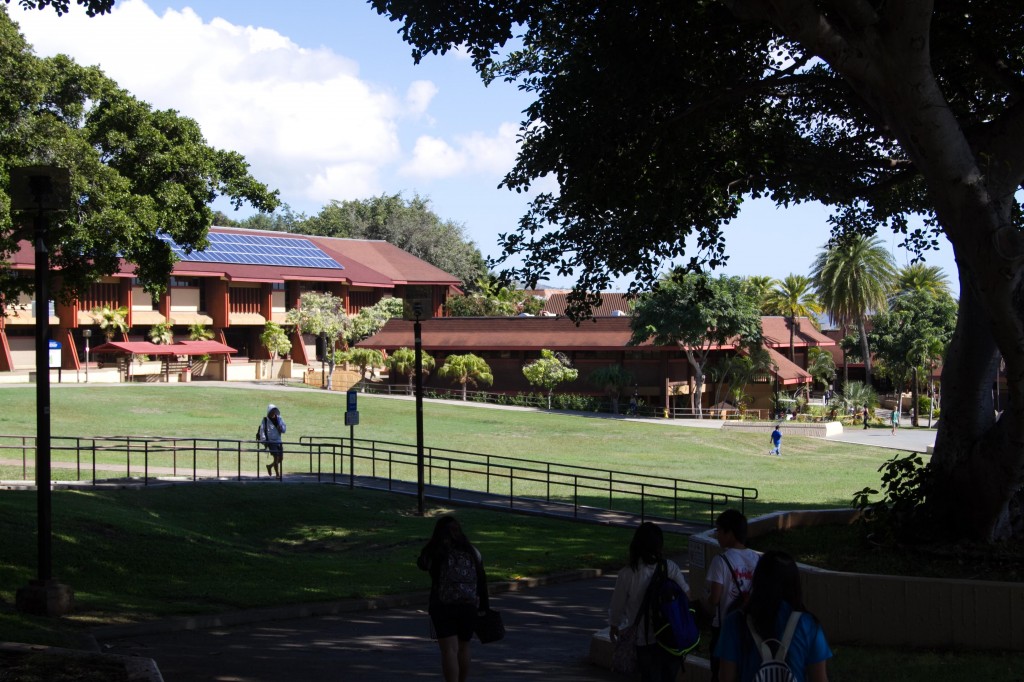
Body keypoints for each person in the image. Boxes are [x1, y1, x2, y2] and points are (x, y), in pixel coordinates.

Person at [715, 550, 832, 682]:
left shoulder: (735, 622)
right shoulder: (809, 625)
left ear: (758, 579)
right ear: (794, 583)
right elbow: (819, 679)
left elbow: (725, 677)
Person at [609, 522, 691, 682]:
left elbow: (617, 605)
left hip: (644, 640)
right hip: (671, 637)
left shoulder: (627, 574)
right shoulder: (670, 568)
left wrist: (614, 624)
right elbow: (687, 595)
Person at [418, 515, 489, 682]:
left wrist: (432, 544)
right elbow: (482, 580)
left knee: (449, 650)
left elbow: (422, 564)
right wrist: (483, 607)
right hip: (469, 605)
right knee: (464, 647)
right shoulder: (472, 551)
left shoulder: (437, 552)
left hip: (442, 605)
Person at [705, 510, 761, 682]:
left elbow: (714, 599)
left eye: (719, 531)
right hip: (751, 627)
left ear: (729, 533)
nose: (717, 535)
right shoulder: (757, 559)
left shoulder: (720, 561)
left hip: (724, 627)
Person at [257, 404, 286, 478]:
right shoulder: (265, 420)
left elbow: (284, 429)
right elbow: (262, 430)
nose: (273, 412)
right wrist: (264, 441)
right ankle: (277, 474)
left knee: (281, 458)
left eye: (274, 411)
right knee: (276, 458)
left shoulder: (279, 418)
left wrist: (281, 428)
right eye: (272, 411)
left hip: (279, 441)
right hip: (271, 442)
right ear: (269, 411)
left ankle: (270, 466)